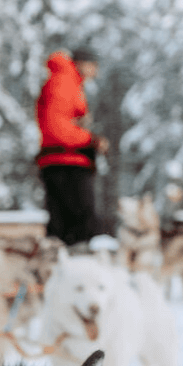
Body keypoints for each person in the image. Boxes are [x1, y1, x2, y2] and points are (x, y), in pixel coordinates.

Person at [36, 47, 109, 246]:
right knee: (78, 223)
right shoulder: (63, 82)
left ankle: (67, 265)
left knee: (64, 223)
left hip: (64, 160)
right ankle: (76, 267)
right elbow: (56, 127)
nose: (96, 71)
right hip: (66, 162)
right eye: (94, 65)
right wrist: (90, 139)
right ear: (82, 63)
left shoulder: (68, 82)